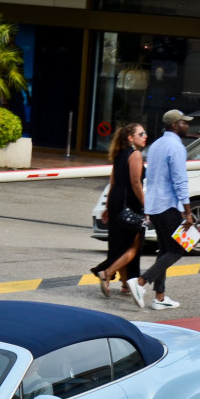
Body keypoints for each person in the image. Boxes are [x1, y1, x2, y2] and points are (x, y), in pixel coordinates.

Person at [129, 109, 196, 311]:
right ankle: (141, 282)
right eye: (184, 122)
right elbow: (179, 181)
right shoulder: (176, 147)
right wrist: (188, 211)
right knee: (178, 249)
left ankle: (160, 297)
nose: (187, 125)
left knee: (165, 250)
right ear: (174, 125)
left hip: (155, 205)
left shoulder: (156, 145)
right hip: (168, 205)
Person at [90, 122, 146, 298]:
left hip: (116, 202)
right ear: (130, 137)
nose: (145, 136)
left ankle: (124, 285)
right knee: (134, 245)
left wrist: (107, 207)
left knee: (119, 245)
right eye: (141, 134)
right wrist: (145, 203)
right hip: (129, 202)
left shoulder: (119, 154)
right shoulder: (135, 154)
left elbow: (113, 181)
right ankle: (106, 272)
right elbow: (135, 182)